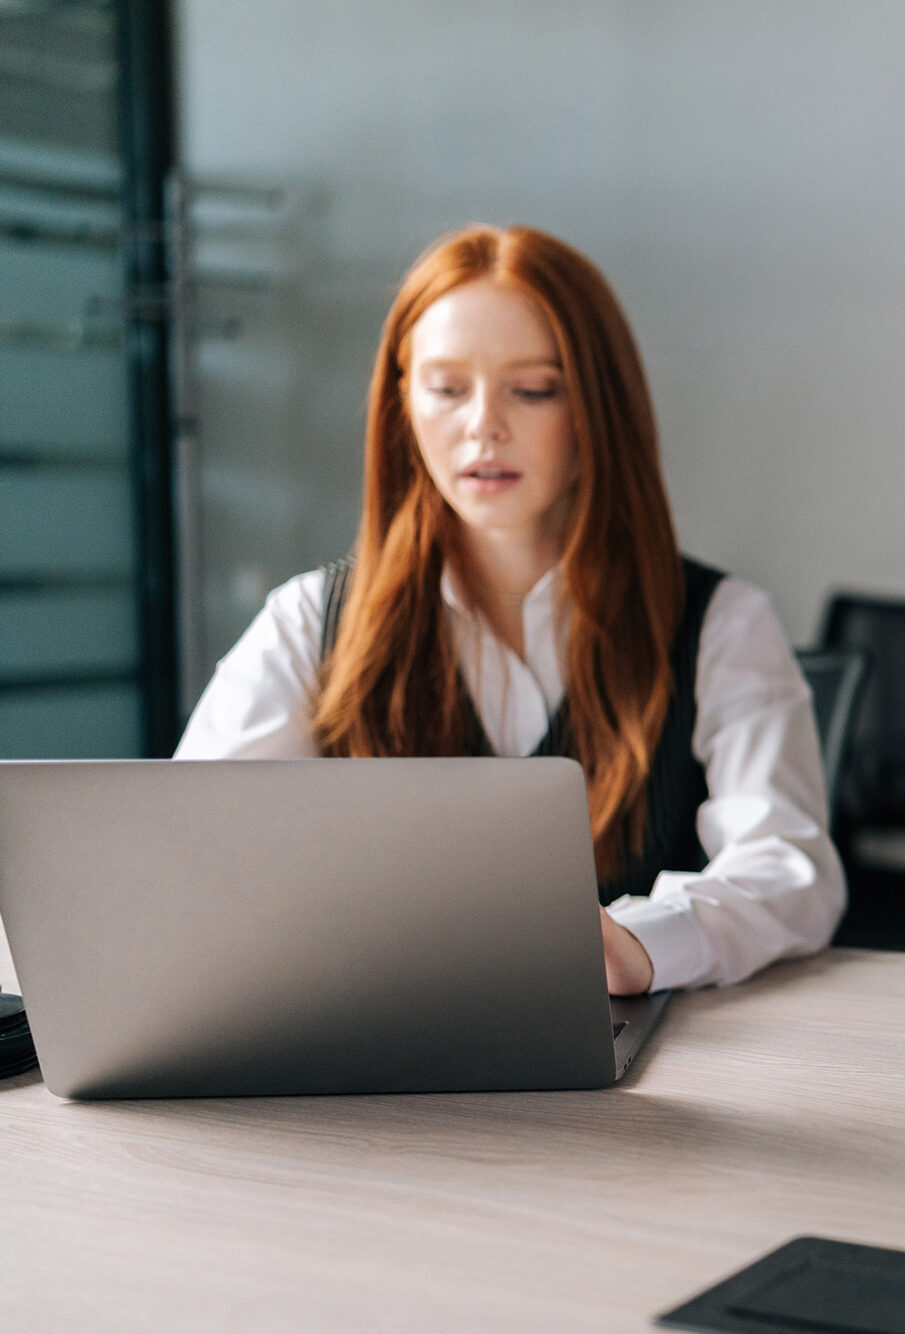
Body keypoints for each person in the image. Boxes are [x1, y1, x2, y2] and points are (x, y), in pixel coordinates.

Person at [178, 225, 843, 995]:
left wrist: (637, 942)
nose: (484, 426)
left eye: (533, 390)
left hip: (637, 1070)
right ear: (402, 403)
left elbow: (790, 871)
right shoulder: (310, 621)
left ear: (598, 408)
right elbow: (197, 854)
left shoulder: (721, 623)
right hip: (372, 1046)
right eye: (447, 388)